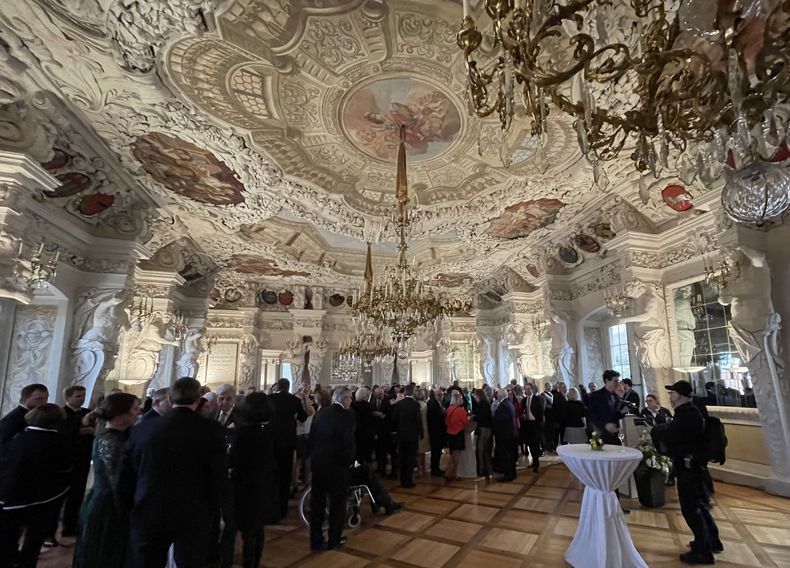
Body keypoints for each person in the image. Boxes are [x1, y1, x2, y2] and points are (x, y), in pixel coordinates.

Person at [119, 377, 226, 568]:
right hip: (192, 511)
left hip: (148, 508)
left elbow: (126, 476)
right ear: (199, 398)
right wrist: (211, 510)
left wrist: (129, 508)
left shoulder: (142, 429)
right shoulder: (210, 430)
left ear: (169, 397)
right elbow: (217, 476)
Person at [653, 381, 722, 565]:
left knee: (691, 509)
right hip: (694, 467)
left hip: (689, 468)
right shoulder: (691, 411)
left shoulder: (686, 415)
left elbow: (672, 436)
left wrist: (659, 430)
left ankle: (703, 551)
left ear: (681, 395)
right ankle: (711, 541)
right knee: (699, 505)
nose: (670, 397)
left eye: (673, 393)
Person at [73, 393, 140, 568]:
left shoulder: (116, 435)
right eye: (134, 409)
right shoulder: (111, 439)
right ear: (121, 414)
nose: (138, 413)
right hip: (108, 505)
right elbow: (117, 480)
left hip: (107, 500)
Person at [0, 403, 70, 568]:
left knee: (9, 536)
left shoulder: (19, 438)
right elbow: (65, 469)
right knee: (34, 538)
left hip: (12, 497)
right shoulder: (60, 442)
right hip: (44, 499)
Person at [231, 392, 279, 568]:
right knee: (258, 529)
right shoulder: (270, 431)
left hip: (245, 484)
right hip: (264, 483)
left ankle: (246, 561)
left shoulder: (242, 433)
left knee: (246, 529)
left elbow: (233, 459)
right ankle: (253, 562)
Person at [308, 386, 355, 552]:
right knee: (337, 505)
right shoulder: (347, 415)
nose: (351, 400)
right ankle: (334, 540)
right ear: (342, 398)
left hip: (318, 465)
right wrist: (350, 461)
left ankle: (315, 541)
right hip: (337, 467)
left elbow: (311, 439)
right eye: (349, 397)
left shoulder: (320, 413)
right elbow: (347, 443)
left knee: (317, 504)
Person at [55, 385, 95, 541]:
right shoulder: (61, 413)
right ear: (68, 397)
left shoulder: (86, 413)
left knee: (77, 494)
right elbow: (62, 434)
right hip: (65, 460)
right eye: (78, 396)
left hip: (83, 459)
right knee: (61, 495)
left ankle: (70, 526)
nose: (82, 399)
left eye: (83, 396)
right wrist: (80, 431)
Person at [270, 378, 308, 520]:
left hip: (272, 442)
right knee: (285, 476)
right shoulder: (294, 400)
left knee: (273, 475)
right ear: (288, 387)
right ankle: (283, 509)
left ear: (277, 387)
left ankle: (271, 507)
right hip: (288, 442)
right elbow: (303, 418)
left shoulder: (270, 398)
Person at [0, 383, 49, 455]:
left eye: (46, 398)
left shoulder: (33, 414)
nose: (44, 402)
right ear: (25, 399)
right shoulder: (14, 418)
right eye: (39, 399)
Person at [391, 384, 423, 488]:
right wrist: (421, 433)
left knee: (402, 457)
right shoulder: (415, 405)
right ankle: (408, 481)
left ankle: (402, 480)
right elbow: (418, 421)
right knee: (410, 458)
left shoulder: (399, 404)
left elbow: (394, 420)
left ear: (404, 392)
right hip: (412, 436)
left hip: (401, 435)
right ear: (413, 392)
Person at [587, 370, 627, 445]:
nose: (617, 383)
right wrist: (605, 426)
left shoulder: (616, 396)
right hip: (599, 435)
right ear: (607, 380)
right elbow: (591, 416)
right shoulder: (595, 395)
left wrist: (621, 412)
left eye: (618, 381)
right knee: (598, 456)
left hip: (614, 436)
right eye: (615, 381)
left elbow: (615, 415)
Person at [444, 390, 469, 481]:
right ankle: (454, 474)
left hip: (450, 433)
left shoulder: (449, 409)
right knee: (457, 455)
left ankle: (447, 471)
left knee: (452, 453)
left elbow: (446, 422)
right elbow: (466, 423)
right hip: (458, 433)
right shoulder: (461, 411)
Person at [493, 388, 517, 482]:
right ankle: (512, 473)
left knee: (506, 456)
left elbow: (501, 419)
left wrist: (494, 418)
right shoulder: (509, 403)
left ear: (500, 396)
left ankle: (508, 475)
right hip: (510, 434)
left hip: (505, 435)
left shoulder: (503, 405)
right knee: (510, 456)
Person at [520, 383, 545, 473]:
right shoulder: (524, 400)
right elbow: (522, 410)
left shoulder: (538, 399)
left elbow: (541, 412)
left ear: (532, 389)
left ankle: (536, 464)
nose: (527, 391)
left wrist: (536, 420)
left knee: (535, 444)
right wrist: (522, 415)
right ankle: (533, 462)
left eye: (529, 389)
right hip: (527, 424)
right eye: (525, 389)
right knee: (530, 444)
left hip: (536, 424)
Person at [472, 389, 493, 480]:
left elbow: (481, 417)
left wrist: (473, 417)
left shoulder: (482, 404)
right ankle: (488, 471)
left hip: (484, 429)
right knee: (485, 451)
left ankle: (481, 472)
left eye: (475, 396)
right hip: (487, 429)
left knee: (480, 450)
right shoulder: (485, 403)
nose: (474, 397)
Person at [350, 387, 374, 465]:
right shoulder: (368, 406)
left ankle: (356, 469)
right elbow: (370, 420)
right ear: (365, 396)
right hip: (366, 433)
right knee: (366, 454)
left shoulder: (352, 405)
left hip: (355, 432)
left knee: (357, 454)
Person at [426, 388, 446, 477]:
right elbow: (434, 419)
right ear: (435, 395)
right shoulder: (432, 403)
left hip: (439, 432)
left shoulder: (438, 403)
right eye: (439, 395)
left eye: (442, 395)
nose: (441, 396)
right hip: (435, 432)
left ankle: (436, 467)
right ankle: (434, 469)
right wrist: (444, 414)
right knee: (435, 451)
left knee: (437, 452)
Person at [415, 388, 431, 477]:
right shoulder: (424, 404)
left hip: (420, 429)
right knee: (422, 451)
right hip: (425, 429)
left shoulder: (418, 404)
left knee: (419, 451)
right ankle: (423, 468)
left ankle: (420, 469)